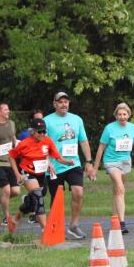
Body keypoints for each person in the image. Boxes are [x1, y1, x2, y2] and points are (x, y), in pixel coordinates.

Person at [44, 92, 96, 240]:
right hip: (54, 165)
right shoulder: (47, 121)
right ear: (54, 104)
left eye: (66, 102)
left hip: (73, 163)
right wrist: (47, 161)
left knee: (78, 193)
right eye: (60, 102)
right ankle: (56, 227)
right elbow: (42, 143)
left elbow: (83, 141)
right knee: (56, 199)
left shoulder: (76, 119)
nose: (63, 104)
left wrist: (89, 162)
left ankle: (74, 226)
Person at [7, 118, 76, 231]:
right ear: (32, 132)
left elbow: (58, 157)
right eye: (40, 131)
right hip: (27, 173)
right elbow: (11, 156)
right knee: (38, 197)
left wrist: (68, 162)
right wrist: (17, 174)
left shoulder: (47, 141)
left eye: (44, 131)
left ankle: (14, 220)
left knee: (31, 202)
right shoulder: (24, 143)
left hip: (40, 174)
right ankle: (46, 229)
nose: (43, 134)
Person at [94, 102, 134, 234]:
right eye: (119, 114)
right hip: (111, 162)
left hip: (125, 162)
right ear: (116, 116)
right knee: (120, 187)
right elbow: (101, 148)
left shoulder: (133, 128)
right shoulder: (109, 128)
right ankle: (122, 224)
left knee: (117, 192)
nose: (122, 116)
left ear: (128, 115)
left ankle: (114, 220)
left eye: (124, 114)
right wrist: (95, 168)